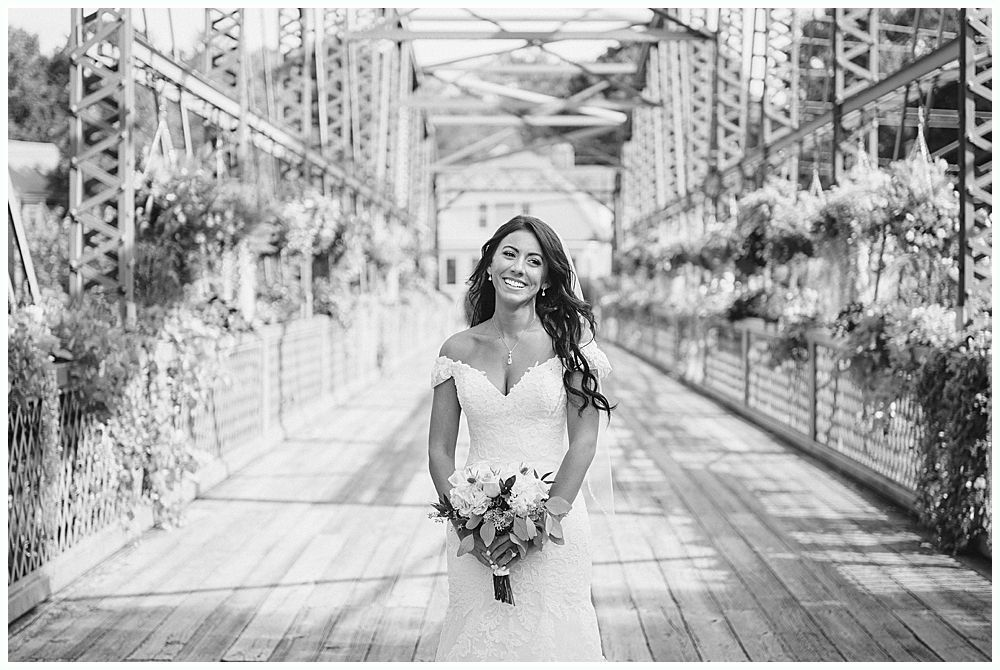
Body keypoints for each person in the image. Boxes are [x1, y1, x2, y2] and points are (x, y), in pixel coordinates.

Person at [428, 215, 614, 661]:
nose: (519, 267)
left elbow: (584, 443)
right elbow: (438, 449)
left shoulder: (569, 346)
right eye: (509, 254)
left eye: (534, 261)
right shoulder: (456, 350)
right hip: (475, 532)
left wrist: (539, 527)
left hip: (556, 524)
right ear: (490, 264)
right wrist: (464, 523)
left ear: (547, 278)